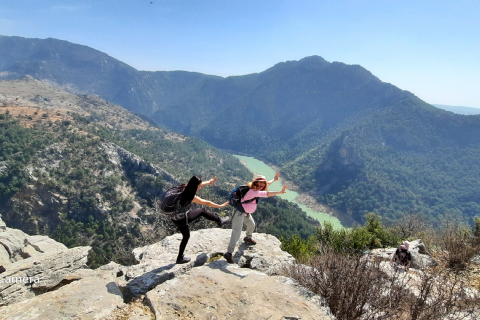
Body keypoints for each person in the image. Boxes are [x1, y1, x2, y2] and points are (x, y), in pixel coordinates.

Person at [223, 172, 287, 263]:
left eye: (263, 183)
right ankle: (229, 253)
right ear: (255, 183)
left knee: (251, 225)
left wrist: (274, 179)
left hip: (245, 213)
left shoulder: (257, 188)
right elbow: (267, 194)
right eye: (259, 182)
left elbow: (267, 184)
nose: (262, 184)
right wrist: (280, 192)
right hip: (239, 213)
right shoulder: (253, 191)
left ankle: (248, 238)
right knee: (237, 232)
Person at [170, 175, 230, 264]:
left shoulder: (184, 187)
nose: (201, 187)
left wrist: (209, 182)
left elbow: (197, 184)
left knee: (186, 236)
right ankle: (219, 220)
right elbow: (207, 203)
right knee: (202, 211)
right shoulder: (192, 197)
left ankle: (180, 258)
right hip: (182, 219)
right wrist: (221, 205)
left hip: (174, 218)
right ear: (195, 186)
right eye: (200, 186)